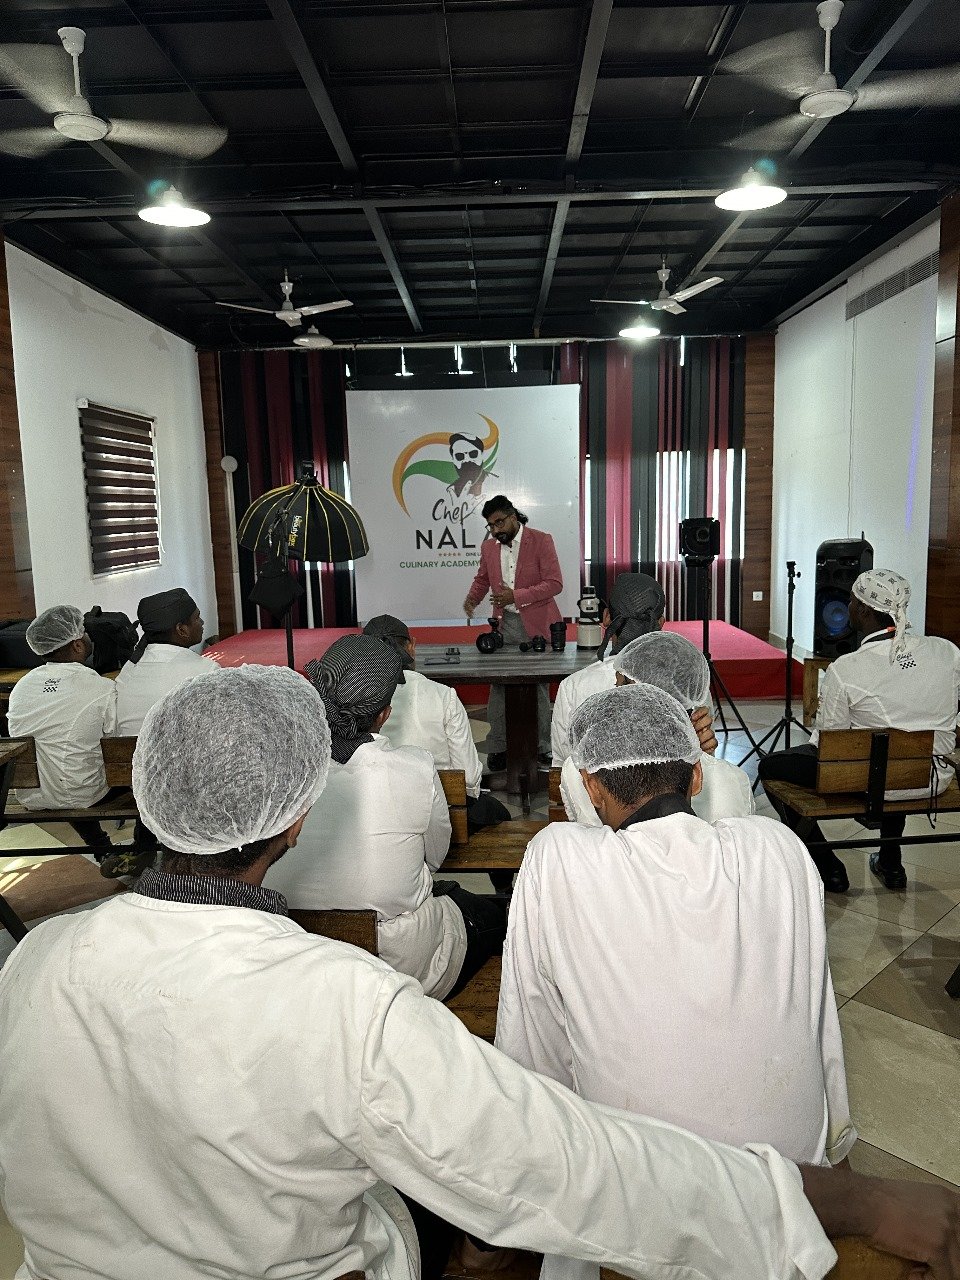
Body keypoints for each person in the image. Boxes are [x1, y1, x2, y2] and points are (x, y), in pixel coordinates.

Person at [3, 665, 958, 1280]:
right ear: (295, 818)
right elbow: (566, 1169)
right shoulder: (346, 1007)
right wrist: (849, 1198)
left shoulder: (35, 965)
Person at [497, 682, 857, 1280]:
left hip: (641, 1211)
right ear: (696, 777)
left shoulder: (559, 859)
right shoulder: (779, 849)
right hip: (788, 1193)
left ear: (589, 786)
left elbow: (534, 1045)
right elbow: (814, 1014)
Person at [266, 635, 506, 1000]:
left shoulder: (282, 768)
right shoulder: (413, 768)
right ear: (384, 714)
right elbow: (436, 857)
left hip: (300, 959)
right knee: (492, 919)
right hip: (396, 967)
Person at [759, 569, 960, 894]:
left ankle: (829, 867)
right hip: (932, 776)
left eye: (851, 600)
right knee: (896, 750)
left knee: (771, 766)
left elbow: (827, 744)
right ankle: (890, 862)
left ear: (864, 610)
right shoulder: (946, 652)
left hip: (876, 782)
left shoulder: (847, 669)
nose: (848, 606)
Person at [559, 629, 755, 827]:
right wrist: (702, 754)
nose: (615, 696)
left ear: (643, 697)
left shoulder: (581, 772)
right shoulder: (733, 779)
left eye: (620, 687)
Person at [362, 614, 510, 834]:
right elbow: (468, 779)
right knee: (500, 815)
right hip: (437, 818)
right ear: (412, 646)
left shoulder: (353, 697)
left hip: (372, 814)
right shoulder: (444, 696)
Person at [552, 572, 716, 768]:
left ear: (606, 618)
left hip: (592, 796)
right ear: (661, 623)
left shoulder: (573, 686)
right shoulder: (690, 680)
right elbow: (705, 754)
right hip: (677, 795)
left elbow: (564, 764)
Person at [6, 605, 120, 853]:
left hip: (29, 793)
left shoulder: (22, 687)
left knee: (64, 767)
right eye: (84, 632)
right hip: (84, 793)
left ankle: (101, 846)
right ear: (78, 646)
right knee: (129, 767)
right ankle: (142, 849)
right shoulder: (100, 687)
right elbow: (115, 739)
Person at [463, 494, 562, 770]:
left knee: (539, 688)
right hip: (503, 625)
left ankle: (543, 747)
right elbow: (483, 579)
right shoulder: (489, 548)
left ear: (513, 516)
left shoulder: (541, 541)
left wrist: (515, 596)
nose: (495, 530)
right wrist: (472, 598)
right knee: (498, 686)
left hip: (537, 625)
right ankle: (498, 747)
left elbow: (554, 584)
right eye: (491, 526)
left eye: (499, 522)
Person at [114, 588, 216, 735]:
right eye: (197, 618)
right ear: (181, 630)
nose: (202, 622)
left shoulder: (127, 674)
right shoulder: (206, 672)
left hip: (131, 757)